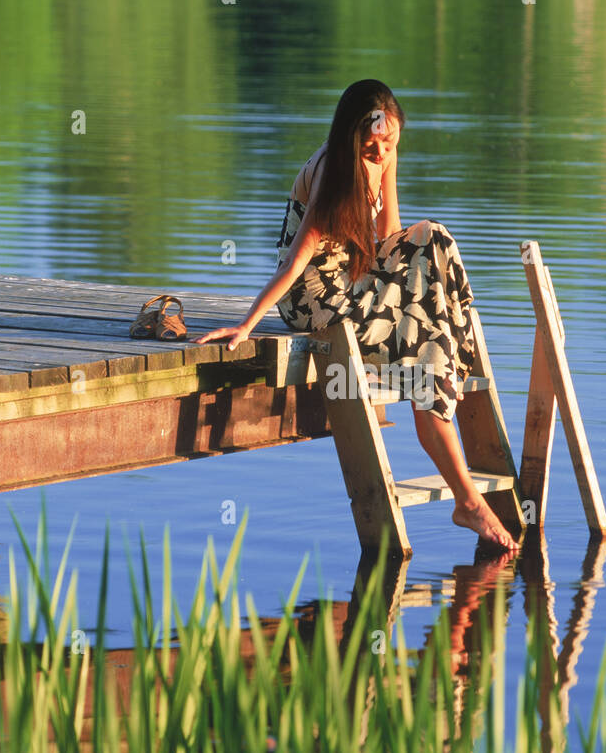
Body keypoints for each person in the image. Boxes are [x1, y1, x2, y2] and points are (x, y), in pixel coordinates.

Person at [196, 80, 518, 552]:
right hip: (311, 294)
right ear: (350, 136)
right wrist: (247, 323)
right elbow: (293, 266)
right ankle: (458, 461)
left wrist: (394, 198)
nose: (382, 152)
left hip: (350, 277)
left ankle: (443, 375)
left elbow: (389, 237)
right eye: (372, 146)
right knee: (421, 336)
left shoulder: (383, 155)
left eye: (390, 144)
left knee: (436, 238)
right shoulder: (332, 174)